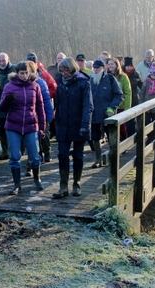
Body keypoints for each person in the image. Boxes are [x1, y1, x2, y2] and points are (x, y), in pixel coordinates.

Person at [0, 61, 46, 195]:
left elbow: (40, 108)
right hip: (13, 125)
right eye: (21, 73)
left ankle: (37, 179)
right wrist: (7, 100)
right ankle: (16, 184)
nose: (24, 76)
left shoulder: (35, 86)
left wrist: (42, 128)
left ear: (30, 72)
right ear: (17, 73)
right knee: (14, 156)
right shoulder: (9, 86)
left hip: (31, 125)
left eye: (26, 73)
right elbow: (1, 108)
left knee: (34, 156)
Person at [52, 58, 93, 198]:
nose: (64, 74)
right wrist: (56, 121)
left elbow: (88, 106)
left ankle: (77, 184)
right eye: (61, 71)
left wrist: (85, 125)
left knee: (78, 156)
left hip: (78, 124)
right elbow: (58, 103)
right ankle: (63, 186)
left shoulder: (83, 82)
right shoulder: (60, 83)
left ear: (73, 69)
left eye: (66, 71)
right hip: (63, 124)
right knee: (62, 155)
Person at [90, 59, 123, 168]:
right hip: (94, 115)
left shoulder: (110, 79)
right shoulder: (90, 80)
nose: (95, 70)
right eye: (94, 68)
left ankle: (113, 158)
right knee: (95, 138)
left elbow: (118, 95)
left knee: (111, 137)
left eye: (98, 68)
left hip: (108, 114)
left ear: (103, 68)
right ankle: (98, 159)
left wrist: (111, 108)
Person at [0, 52, 16, 161]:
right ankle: (5, 151)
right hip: (1, 104)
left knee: (16, 127)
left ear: (8, 59)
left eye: (3, 60)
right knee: (2, 128)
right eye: (0, 61)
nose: (2, 63)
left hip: (14, 104)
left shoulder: (15, 69)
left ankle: (18, 150)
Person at [107, 58, 132, 140]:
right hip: (109, 106)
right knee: (111, 127)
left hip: (121, 106)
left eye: (112, 64)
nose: (110, 66)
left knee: (122, 127)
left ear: (117, 65)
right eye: (109, 64)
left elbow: (127, 92)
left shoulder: (123, 77)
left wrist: (127, 108)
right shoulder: (106, 76)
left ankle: (124, 142)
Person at [123, 56, 143, 137]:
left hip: (134, 98)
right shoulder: (121, 74)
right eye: (127, 66)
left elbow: (141, 85)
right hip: (124, 98)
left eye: (130, 66)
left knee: (132, 119)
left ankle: (131, 136)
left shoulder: (136, 74)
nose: (129, 68)